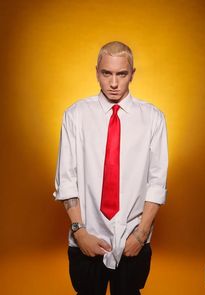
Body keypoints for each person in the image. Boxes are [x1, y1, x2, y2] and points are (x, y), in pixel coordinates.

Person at [53, 41, 168, 295]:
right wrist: (79, 233)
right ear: (97, 72)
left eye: (121, 74)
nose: (114, 83)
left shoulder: (153, 119)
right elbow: (66, 178)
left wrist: (140, 235)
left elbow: (157, 183)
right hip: (86, 237)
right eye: (107, 73)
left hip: (132, 240)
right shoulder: (75, 116)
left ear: (132, 74)